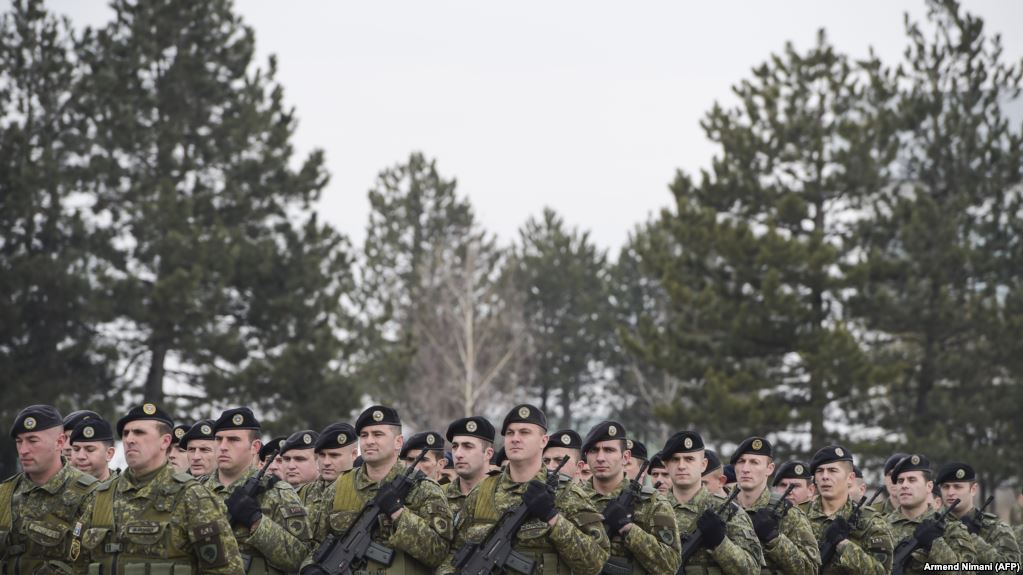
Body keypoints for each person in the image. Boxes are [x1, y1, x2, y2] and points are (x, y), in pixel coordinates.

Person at [73, 402, 245, 574]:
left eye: (139, 432)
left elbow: (226, 571)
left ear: (165, 441)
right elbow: (76, 565)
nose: (129, 439)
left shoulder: (193, 498)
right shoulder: (102, 496)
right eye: (126, 433)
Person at [438, 404, 610, 575]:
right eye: (510, 433)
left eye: (524, 432)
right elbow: (455, 551)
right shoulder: (482, 491)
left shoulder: (567, 494)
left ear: (543, 441)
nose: (515, 438)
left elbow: (595, 563)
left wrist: (553, 518)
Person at [304, 405, 452, 575]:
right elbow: (316, 544)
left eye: (378, 434)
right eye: (364, 435)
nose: (369, 441)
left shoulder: (424, 489)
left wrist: (399, 514)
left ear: (398, 442)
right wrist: (310, 568)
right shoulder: (338, 488)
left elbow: (439, 554)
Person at [202, 407, 312, 575]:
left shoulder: (277, 493)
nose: (223, 447)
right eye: (218, 439)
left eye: (233, 440)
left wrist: (257, 522)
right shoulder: (194, 490)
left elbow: (301, 559)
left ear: (255, 447)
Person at [1, 405, 99, 574]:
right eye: (19, 441)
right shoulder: (4, 494)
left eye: (32, 441)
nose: (23, 450)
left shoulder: (91, 495)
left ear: (59, 442)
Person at [582, 421, 681, 575]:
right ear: (586, 456)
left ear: (625, 457)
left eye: (609, 450)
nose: (600, 458)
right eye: (594, 450)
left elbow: (671, 566)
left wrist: (628, 528)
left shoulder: (653, 503)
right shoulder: (571, 498)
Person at [661, 431, 763, 574]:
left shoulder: (729, 512)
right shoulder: (651, 507)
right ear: (666, 465)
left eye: (689, 459)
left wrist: (720, 543)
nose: (682, 466)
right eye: (675, 459)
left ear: (703, 465)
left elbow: (753, 571)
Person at [731, 436, 820, 574]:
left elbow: (810, 570)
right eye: (741, 461)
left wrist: (774, 539)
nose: (745, 469)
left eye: (754, 462)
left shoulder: (789, 514)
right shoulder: (716, 509)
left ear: (769, 468)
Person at [804, 445, 893, 574]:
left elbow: (881, 572)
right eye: (820, 471)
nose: (825, 476)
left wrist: (844, 546)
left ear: (850, 478)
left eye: (832, 470)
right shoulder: (798, 515)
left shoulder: (871, 522)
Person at [886, 454, 976, 573]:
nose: (904, 485)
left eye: (912, 480)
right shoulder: (880, 525)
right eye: (900, 481)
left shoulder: (951, 529)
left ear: (929, 487)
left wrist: (935, 544)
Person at [936, 461, 1021, 568]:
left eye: (957, 487)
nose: (950, 492)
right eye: (946, 487)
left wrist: (973, 539)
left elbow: (1012, 568)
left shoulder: (995, 528)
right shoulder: (930, 526)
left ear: (973, 490)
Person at [444, 416, 496, 517]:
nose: (458, 454)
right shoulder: (438, 495)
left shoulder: (503, 495)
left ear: (488, 454)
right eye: (455, 446)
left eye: (467, 446)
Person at [279, 430, 320, 504]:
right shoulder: (273, 496)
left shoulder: (330, 495)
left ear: (318, 463)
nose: (291, 466)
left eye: (300, 459)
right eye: (287, 459)